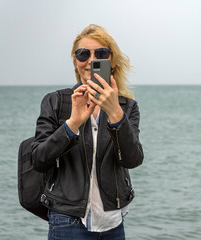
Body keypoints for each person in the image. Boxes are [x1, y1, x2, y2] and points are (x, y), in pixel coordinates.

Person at [31, 24, 144, 239]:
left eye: (101, 53)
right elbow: (38, 159)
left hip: (112, 223)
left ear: (112, 62)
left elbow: (133, 159)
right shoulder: (56, 102)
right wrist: (72, 124)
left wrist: (115, 115)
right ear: (75, 61)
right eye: (83, 54)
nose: (91, 60)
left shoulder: (127, 107)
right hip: (67, 220)